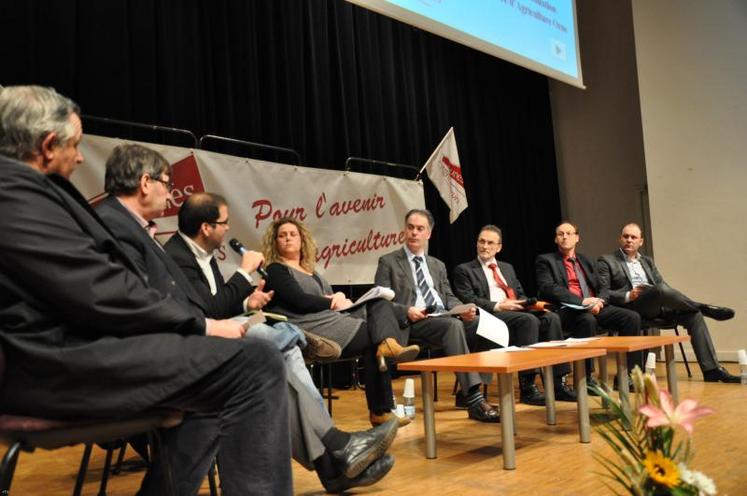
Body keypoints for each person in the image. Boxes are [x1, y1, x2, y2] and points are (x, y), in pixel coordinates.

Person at [0, 85, 292, 494]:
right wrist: (200, 326)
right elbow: (97, 290)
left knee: (225, 372)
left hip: (75, 346)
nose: (81, 157)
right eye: (76, 145)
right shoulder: (13, 192)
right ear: (48, 145)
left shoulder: (23, 191)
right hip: (54, 363)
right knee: (256, 362)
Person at [96, 145, 398, 492]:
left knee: (267, 355)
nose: (169, 191)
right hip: (152, 356)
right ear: (146, 182)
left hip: (180, 343)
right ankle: (334, 454)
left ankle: (335, 457)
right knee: (265, 359)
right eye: (166, 182)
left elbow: (192, 306)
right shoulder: (118, 228)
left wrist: (241, 304)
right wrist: (226, 302)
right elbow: (152, 308)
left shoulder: (139, 231)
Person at [260, 217, 420, 427]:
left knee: (381, 303)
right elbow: (298, 300)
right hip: (309, 326)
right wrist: (331, 302)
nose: (288, 238)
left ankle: (387, 348)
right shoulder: (276, 270)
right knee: (375, 340)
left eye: (292, 234)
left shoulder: (313, 272)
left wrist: (342, 300)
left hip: (333, 319)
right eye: (282, 235)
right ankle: (381, 410)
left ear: (302, 240)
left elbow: (330, 301)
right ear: (275, 242)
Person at [375, 209, 500, 423]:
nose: (414, 233)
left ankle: (465, 391)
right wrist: (407, 310)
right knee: (452, 326)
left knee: (485, 325)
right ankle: (474, 398)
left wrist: (464, 308)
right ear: (404, 231)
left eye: (420, 229)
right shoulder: (388, 262)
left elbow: (449, 297)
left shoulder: (437, 265)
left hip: (443, 317)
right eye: (410, 228)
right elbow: (381, 301)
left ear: (428, 234)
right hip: (413, 322)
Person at [597, 222, 739, 383]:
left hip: (658, 305)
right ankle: (703, 306)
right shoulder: (607, 261)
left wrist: (672, 301)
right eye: (626, 236)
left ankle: (712, 370)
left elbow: (663, 286)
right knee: (660, 290)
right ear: (620, 239)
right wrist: (629, 294)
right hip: (632, 308)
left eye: (633, 237)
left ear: (640, 241)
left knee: (694, 315)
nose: (629, 240)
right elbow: (604, 292)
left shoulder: (647, 261)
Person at [453, 225, 577, 404]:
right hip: (490, 315)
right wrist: (499, 305)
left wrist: (530, 304)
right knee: (527, 321)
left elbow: (519, 294)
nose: (485, 246)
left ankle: (558, 383)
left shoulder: (507, 268)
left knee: (551, 318)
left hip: (516, 311)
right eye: (481, 241)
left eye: (490, 243)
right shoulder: (464, 270)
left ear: (499, 247)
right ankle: (528, 387)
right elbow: (469, 299)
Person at [535, 221, 643, 386]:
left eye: (569, 233)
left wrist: (599, 301)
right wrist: (582, 302)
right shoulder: (546, 260)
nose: (565, 237)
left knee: (631, 317)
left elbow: (603, 287)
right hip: (567, 310)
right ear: (556, 239)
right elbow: (549, 288)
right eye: (560, 234)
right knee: (587, 320)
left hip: (595, 307)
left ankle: (629, 376)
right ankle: (586, 379)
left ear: (577, 238)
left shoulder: (585, 260)